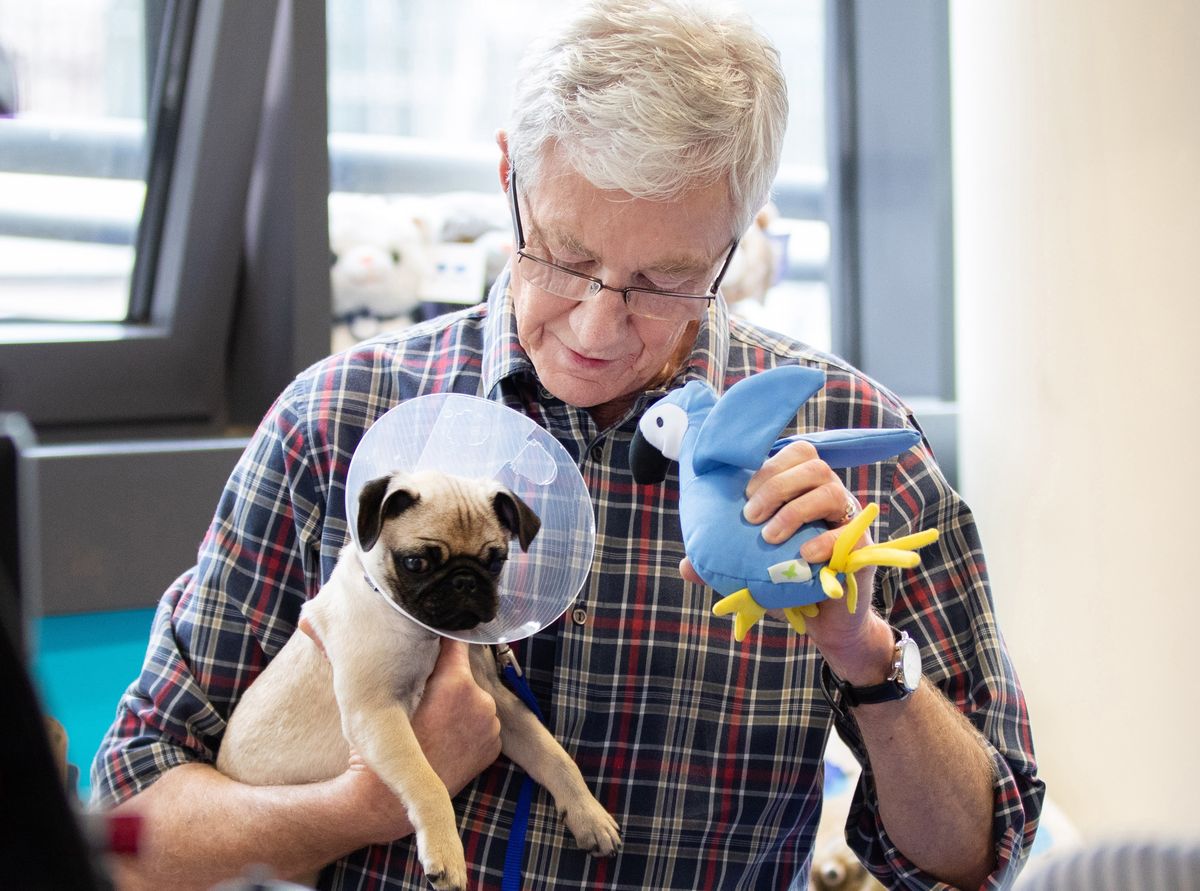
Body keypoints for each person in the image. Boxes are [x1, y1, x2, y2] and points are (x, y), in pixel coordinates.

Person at [93, 1, 1043, 889]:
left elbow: (982, 851)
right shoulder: (338, 423)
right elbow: (132, 820)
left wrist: (866, 654)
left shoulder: (837, 447)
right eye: (565, 255)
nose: (596, 325)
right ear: (508, 176)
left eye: (665, 279)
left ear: (735, 242)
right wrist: (363, 806)